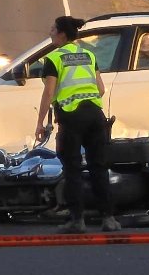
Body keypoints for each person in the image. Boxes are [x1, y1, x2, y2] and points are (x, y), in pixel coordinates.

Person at [35, 16, 120, 234]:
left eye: (53, 28)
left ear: (62, 34)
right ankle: (108, 219)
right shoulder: (89, 55)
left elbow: (49, 93)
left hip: (72, 118)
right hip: (95, 115)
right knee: (98, 167)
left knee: (72, 169)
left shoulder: (54, 58)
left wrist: (40, 123)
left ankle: (77, 220)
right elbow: (100, 89)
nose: (50, 31)